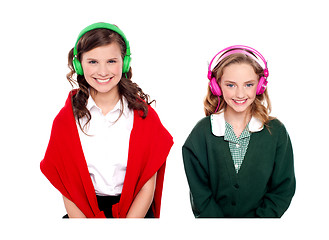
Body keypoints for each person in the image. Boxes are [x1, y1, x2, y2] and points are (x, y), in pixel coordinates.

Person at [40, 22, 173, 218]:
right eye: (93, 62)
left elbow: (147, 184)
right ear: (79, 64)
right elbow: (67, 187)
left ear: (124, 62)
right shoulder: (66, 120)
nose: (103, 71)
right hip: (83, 215)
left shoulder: (144, 117)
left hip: (135, 213)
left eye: (111, 61)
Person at [182, 45, 295, 218]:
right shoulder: (201, 134)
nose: (240, 93)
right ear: (217, 86)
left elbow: (282, 189)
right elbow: (200, 195)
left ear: (260, 86)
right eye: (231, 85)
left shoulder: (276, 132)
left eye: (249, 84)